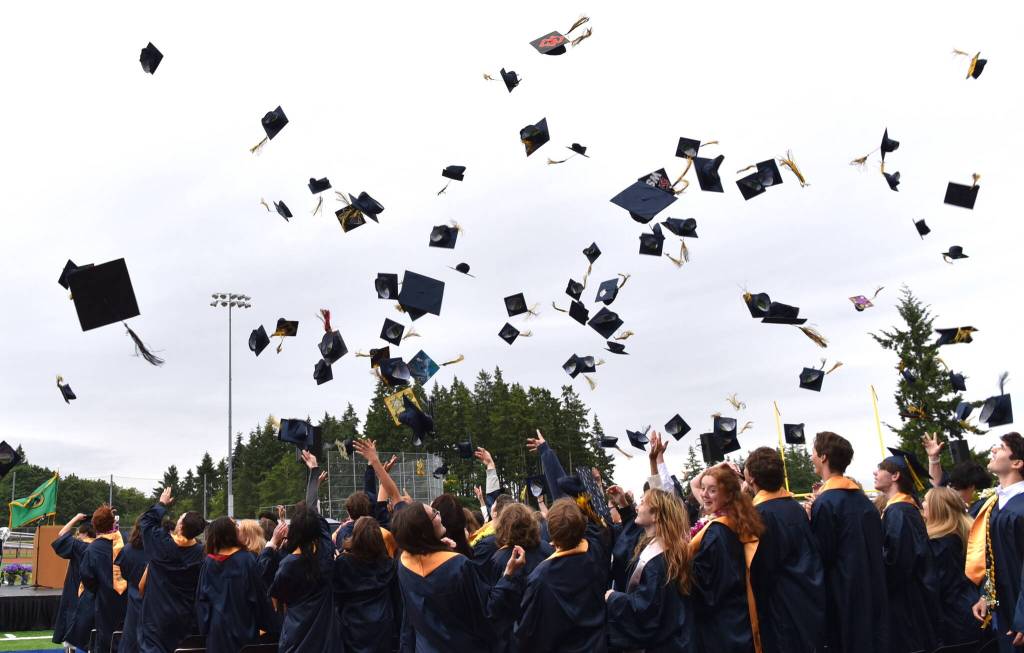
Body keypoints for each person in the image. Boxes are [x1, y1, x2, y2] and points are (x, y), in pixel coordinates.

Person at [391, 497, 526, 652]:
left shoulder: (404, 564)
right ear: (424, 530)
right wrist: (509, 575)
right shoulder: (458, 566)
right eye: (434, 514)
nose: (438, 514)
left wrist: (439, 548)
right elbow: (489, 611)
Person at [809, 431, 888, 653]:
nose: (812, 457)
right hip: (873, 588)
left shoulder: (826, 503)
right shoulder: (863, 501)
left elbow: (823, 554)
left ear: (824, 457)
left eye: (814, 452)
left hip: (843, 594)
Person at [744, 447, 825, 653]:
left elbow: (763, 572)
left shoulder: (760, 515)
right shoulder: (794, 507)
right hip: (808, 597)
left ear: (751, 477)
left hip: (780, 608)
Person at [513, 496, 610, 653]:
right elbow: (598, 529)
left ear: (550, 532)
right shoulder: (597, 552)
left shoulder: (540, 579)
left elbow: (527, 633)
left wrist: (510, 578)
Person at [605, 488, 697, 653]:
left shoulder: (658, 561)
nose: (637, 506)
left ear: (655, 516)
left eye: (642, 502)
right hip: (678, 640)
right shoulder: (668, 548)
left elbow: (646, 610)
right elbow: (629, 539)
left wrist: (613, 598)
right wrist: (624, 505)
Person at [268, 451, 339, 653]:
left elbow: (277, 595)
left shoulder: (289, 564)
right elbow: (313, 516)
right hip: (326, 637)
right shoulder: (325, 553)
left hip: (297, 637)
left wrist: (315, 473)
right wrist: (314, 472)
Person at [689, 463, 764, 653]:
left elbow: (707, 586)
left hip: (722, 625)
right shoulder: (735, 522)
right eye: (704, 488)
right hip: (737, 616)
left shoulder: (716, 533)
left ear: (729, 496)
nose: (704, 494)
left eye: (712, 490)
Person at [874, 450, 939, 653]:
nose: (875, 473)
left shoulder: (899, 511)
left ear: (895, 476)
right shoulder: (902, 508)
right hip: (913, 595)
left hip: (906, 600)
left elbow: (897, 561)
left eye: (881, 469)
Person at [968, 432, 1024, 652]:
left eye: (1001, 447)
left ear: (1017, 463)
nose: (993, 449)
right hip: (1005, 608)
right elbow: (991, 558)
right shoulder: (993, 505)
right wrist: (987, 596)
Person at [138, 487, 207, 653]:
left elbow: (145, 523)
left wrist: (162, 504)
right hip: (185, 619)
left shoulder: (161, 544)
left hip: (156, 621)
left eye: (180, 518)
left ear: (181, 525)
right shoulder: (202, 554)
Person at [196, 516, 274, 653]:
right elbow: (259, 596)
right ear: (229, 533)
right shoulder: (246, 560)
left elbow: (202, 600)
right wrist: (271, 625)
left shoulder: (208, 563)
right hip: (244, 627)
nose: (238, 528)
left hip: (217, 632)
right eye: (235, 526)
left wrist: (206, 627)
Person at [334, 516, 401, 653]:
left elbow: (336, 598)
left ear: (355, 536)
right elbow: (397, 601)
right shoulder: (389, 565)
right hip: (382, 627)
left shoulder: (343, 563)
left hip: (352, 628)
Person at [924, 486, 981, 647]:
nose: (922, 504)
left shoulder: (939, 545)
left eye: (926, 501)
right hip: (972, 608)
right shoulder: (967, 535)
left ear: (936, 508)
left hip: (951, 617)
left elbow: (935, 585)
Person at [80, 505, 128, 653]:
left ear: (94, 526)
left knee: (106, 639)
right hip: (127, 599)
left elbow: (87, 577)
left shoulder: (93, 549)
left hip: (104, 599)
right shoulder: (123, 543)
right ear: (113, 524)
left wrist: (98, 590)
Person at [51, 513, 95, 652]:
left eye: (79, 533)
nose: (77, 535)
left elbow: (62, 534)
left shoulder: (78, 546)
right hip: (93, 591)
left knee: (71, 621)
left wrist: (75, 518)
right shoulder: (102, 547)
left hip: (75, 589)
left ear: (84, 532)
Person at [923, 432, 993, 517]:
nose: (950, 492)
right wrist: (933, 457)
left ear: (971, 487)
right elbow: (937, 482)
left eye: (956, 488)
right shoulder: (950, 506)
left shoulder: (988, 508)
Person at [115, 516, 149, 653]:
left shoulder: (127, 550)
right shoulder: (159, 550)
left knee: (131, 639)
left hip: (135, 597)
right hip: (156, 600)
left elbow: (125, 574)